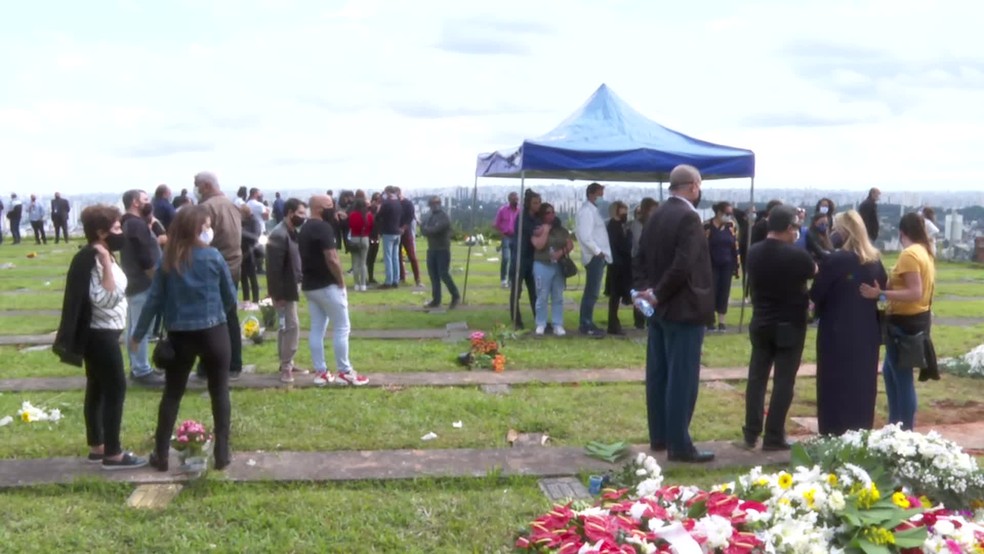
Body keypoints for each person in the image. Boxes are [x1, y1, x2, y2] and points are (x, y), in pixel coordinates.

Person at [131, 205, 236, 472]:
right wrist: (217, 314)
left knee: (172, 394)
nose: (209, 229)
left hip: (180, 336)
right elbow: (230, 297)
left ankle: (161, 453)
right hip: (214, 331)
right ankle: (222, 452)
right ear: (200, 227)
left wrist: (138, 334)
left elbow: (154, 300)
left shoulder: (168, 259)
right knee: (219, 390)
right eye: (207, 224)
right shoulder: (213, 256)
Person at [53, 204, 148, 470]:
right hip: (100, 335)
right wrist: (107, 264)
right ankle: (113, 454)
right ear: (100, 232)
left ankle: (98, 447)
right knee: (115, 388)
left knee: (97, 388)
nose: (121, 233)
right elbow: (105, 299)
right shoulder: (95, 257)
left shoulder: (102, 253)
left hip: (103, 333)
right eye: (116, 228)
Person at [632, 164, 715, 463]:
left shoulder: (656, 215)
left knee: (658, 373)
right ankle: (679, 445)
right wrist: (657, 294)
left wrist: (643, 291)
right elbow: (684, 264)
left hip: (659, 311)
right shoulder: (690, 217)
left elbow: (639, 257)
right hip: (683, 308)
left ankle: (660, 436)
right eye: (699, 185)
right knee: (682, 378)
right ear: (693, 186)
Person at [742, 205, 817, 451]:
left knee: (757, 379)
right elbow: (814, 270)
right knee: (784, 381)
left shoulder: (753, 252)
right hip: (789, 324)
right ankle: (774, 435)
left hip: (761, 321)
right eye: (795, 228)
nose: (797, 233)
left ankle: (751, 432)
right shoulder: (797, 255)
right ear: (788, 228)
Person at [810, 210, 886, 436]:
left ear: (842, 232)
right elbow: (882, 292)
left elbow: (816, 294)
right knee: (862, 384)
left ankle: (833, 431)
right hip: (866, 332)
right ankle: (861, 430)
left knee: (834, 384)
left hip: (836, 332)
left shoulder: (835, 260)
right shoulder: (874, 261)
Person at [860, 212, 937, 431]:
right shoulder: (925, 252)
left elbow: (914, 292)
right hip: (915, 319)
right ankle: (895, 423)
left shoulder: (910, 255)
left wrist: (881, 294)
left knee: (901, 377)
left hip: (905, 322)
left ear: (902, 232)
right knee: (890, 372)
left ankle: (903, 428)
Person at [299, 195, 368, 387]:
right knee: (342, 327)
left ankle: (321, 372)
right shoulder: (323, 228)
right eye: (330, 206)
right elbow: (332, 258)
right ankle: (344, 371)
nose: (333, 208)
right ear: (320, 208)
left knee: (317, 328)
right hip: (327, 285)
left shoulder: (304, 228)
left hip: (310, 285)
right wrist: (341, 281)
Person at [195, 171, 244, 379]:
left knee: (210, 319)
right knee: (230, 316)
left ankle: (211, 365)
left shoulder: (207, 208)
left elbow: (200, 240)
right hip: (234, 265)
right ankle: (234, 362)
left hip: (214, 268)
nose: (195, 189)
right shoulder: (230, 204)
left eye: (196, 185)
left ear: (206, 186)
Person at [120, 189, 166, 387]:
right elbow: (144, 256)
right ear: (135, 202)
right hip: (142, 282)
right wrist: (155, 278)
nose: (150, 203)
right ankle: (141, 370)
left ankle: (139, 367)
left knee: (137, 326)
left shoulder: (134, 222)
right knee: (140, 327)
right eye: (145, 200)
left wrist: (152, 220)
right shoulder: (135, 224)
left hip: (138, 282)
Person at [266, 198, 308, 383]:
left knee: (287, 327)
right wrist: (277, 294)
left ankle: (288, 363)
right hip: (284, 288)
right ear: (290, 212)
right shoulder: (279, 234)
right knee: (291, 326)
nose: (303, 217)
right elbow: (273, 269)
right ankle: (286, 366)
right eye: (300, 213)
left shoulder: (290, 232)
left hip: (291, 284)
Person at [574, 183, 612, 337]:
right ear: (591, 194)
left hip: (599, 255)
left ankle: (587, 321)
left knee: (593, 292)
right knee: (592, 292)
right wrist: (598, 252)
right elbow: (585, 236)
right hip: (594, 256)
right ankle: (585, 323)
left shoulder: (594, 211)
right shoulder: (586, 212)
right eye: (600, 194)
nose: (602, 197)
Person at [531, 203, 573, 336]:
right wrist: (546, 230)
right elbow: (539, 245)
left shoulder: (561, 230)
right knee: (542, 295)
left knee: (558, 296)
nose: (551, 215)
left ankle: (557, 324)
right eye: (548, 213)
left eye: (553, 212)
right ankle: (541, 323)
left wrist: (561, 252)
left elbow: (570, 244)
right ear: (543, 215)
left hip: (558, 265)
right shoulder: (537, 229)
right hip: (542, 264)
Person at [420, 196, 460, 309]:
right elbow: (423, 228)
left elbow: (435, 230)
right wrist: (427, 229)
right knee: (433, 276)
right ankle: (436, 299)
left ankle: (455, 295)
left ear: (439, 204)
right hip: (432, 249)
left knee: (444, 274)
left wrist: (427, 229)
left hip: (442, 249)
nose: (433, 206)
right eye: (432, 204)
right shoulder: (430, 216)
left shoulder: (444, 217)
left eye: (436, 203)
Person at [704, 202, 739, 332]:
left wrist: (736, 264)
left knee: (724, 292)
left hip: (727, 264)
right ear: (719, 213)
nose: (729, 216)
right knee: (711, 291)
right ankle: (710, 320)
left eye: (731, 214)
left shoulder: (731, 226)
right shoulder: (707, 226)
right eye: (727, 213)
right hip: (711, 265)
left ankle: (722, 321)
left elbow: (735, 245)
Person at [510, 190, 541, 330]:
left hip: (532, 258)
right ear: (529, 203)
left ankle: (539, 318)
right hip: (520, 257)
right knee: (517, 290)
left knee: (534, 291)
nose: (538, 205)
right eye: (535, 203)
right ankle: (516, 320)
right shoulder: (522, 217)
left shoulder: (536, 217)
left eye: (539, 202)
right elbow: (532, 231)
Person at [629, 198, 659, 330]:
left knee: (650, 291)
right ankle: (639, 321)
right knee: (641, 289)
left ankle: (650, 318)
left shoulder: (656, 223)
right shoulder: (639, 224)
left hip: (652, 262)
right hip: (640, 260)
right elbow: (637, 243)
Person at [604, 201, 632, 335]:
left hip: (621, 264)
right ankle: (613, 324)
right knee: (615, 296)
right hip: (617, 265)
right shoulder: (614, 227)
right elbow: (622, 245)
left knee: (616, 296)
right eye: (623, 212)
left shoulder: (619, 226)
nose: (625, 214)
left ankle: (614, 323)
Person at [376, 187, 403, 289]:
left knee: (388, 257)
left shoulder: (387, 203)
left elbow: (378, 216)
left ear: (387, 192)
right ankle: (396, 280)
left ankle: (388, 281)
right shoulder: (398, 203)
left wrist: (379, 208)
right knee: (395, 257)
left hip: (388, 232)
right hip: (397, 232)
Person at [396, 187, 422, 287]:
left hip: (406, 232)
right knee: (398, 256)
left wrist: (404, 228)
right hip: (396, 231)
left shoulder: (407, 203)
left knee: (411, 255)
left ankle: (417, 278)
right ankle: (402, 276)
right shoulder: (395, 203)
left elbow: (410, 217)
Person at [347, 194, 373, 292]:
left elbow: (350, 226)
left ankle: (356, 284)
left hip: (354, 238)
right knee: (363, 263)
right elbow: (371, 227)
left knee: (355, 263)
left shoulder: (352, 215)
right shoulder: (369, 215)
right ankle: (363, 284)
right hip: (365, 238)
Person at [494, 192, 520, 289]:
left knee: (514, 260)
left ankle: (510, 280)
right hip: (506, 236)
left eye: (517, 199)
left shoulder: (520, 211)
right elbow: (496, 224)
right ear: (509, 200)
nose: (516, 201)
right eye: (514, 199)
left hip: (516, 237)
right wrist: (502, 234)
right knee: (506, 258)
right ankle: (503, 279)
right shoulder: (503, 210)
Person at [238, 204, 261, 308]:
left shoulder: (254, 221)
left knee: (252, 276)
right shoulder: (242, 222)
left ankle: (255, 300)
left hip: (251, 252)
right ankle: (246, 299)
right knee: (242, 277)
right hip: (242, 251)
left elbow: (255, 236)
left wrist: (242, 232)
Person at [366, 192, 382, 285]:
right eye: (376, 200)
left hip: (376, 235)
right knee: (368, 257)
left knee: (372, 258)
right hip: (370, 235)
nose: (377, 202)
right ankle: (367, 277)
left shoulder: (379, 210)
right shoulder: (370, 210)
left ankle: (371, 277)